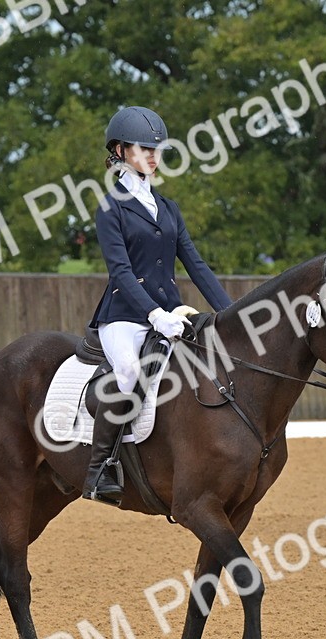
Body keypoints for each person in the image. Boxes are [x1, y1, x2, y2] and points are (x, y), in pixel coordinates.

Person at [83, 106, 233, 504]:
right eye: (142, 148)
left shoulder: (167, 208)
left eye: (157, 149)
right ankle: (101, 469)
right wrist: (153, 314)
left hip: (171, 315)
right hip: (125, 317)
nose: (152, 155)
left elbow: (196, 265)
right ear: (119, 151)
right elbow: (121, 272)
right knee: (130, 372)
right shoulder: (109, 206)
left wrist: (234, 313)